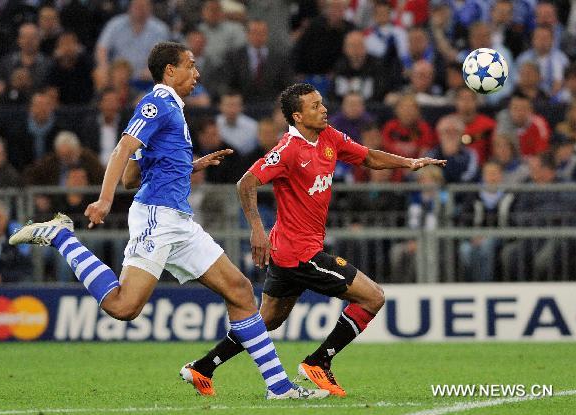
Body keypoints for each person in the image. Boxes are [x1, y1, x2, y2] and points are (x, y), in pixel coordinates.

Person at [9, 42, 327, 400]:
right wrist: (103, 199)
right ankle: (62, 237)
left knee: (240, 292)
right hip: (156, 219)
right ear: (169, 72)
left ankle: (279, 387)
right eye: (190, 66)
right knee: (123, 307)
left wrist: (188, 166)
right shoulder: (157, 103)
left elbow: (134, 174)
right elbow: (122, 151)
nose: (197, 73)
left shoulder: (173, 108)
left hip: (179, 221)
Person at [184, 83, 446, 397]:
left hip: (291, 251)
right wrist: (256, 228)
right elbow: (246, 182)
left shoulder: (329, 137)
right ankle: (319, 361)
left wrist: (409, 163)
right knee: (373, 297)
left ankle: (203, 367)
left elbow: (367, 157)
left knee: (266, 321)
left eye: (322, 104)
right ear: (297, 116)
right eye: (315, 106)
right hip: (299, 253)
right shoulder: (288, 149)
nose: (323, 110)